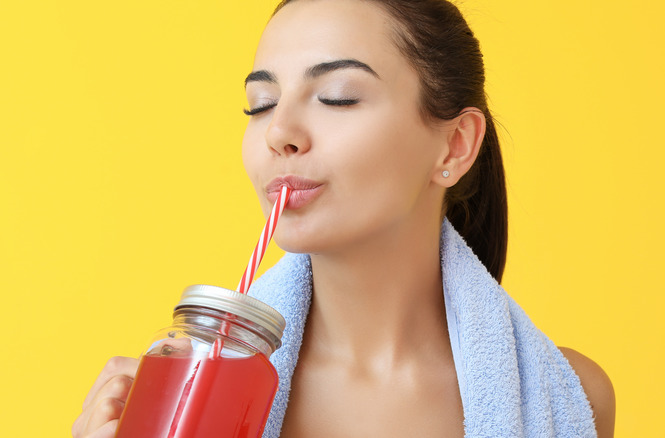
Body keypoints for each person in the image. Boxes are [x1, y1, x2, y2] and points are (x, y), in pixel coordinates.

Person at [72, 0, 616, 436]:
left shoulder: (569, 397)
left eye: (336, 97)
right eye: (260, 103)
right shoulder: (182, 392)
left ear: (454, 145)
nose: (278, 131)